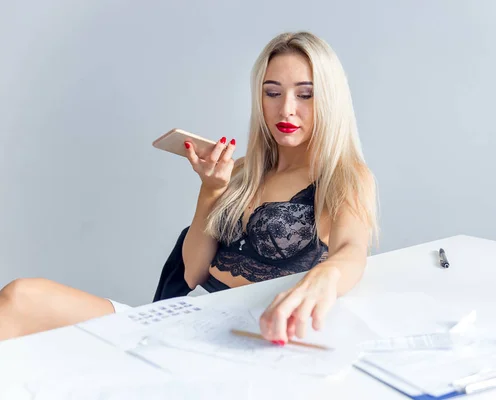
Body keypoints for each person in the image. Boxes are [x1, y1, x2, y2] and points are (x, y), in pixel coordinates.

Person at [0, 31, 378, 344]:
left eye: (305, 94)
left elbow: (351, 249)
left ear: (329, 98)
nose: (286, 110)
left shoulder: (344, 175)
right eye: (273, 92)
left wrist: (325, 277)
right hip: (187, 322)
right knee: (21, 297)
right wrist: (211, 190)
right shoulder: (242, 169)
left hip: (255, 339)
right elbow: (193, 272)